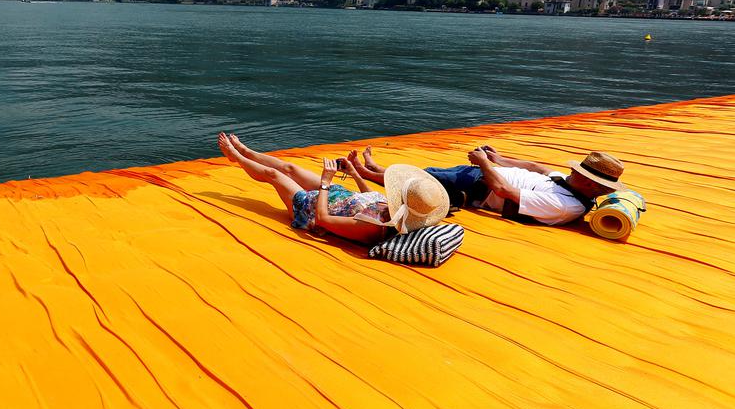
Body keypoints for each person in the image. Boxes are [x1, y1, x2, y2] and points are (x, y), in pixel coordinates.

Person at [217, 133, 449, 245]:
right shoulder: (394, 210)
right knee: (289, 166)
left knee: (274, 175)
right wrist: (354, 172)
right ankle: (247, 152)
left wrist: (326, 181)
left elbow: (324, 219)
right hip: (336, 193)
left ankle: (236, 157)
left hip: (309, 208)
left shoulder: (371, 229)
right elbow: (368, 195)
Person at [349, 145, 627, 226]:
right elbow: (536, 167)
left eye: (577, 172)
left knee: (420, 181)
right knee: (427, 174)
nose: (570, 171)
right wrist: (498, 158)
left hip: (482, 187)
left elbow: (505, 192)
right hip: (484, 175)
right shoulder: (567, 184)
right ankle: (374, 169)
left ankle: (366, 171)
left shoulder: (566, 205)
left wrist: (484, 165)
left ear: (590, 184)